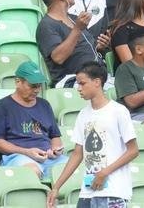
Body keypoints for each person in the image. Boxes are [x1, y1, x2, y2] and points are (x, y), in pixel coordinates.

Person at [45, 60, 139, 208]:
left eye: (82, 83)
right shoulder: (83, 114)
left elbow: (133, 150)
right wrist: (57, 186)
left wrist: (104, 172)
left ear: (97, 82)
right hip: (88, 190)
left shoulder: (118, 111)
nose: (78, 88)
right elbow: (77, 154)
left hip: (113, 190)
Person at [0, 60, 66, 178]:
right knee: (31, 172)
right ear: (18, 82)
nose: (37, 90)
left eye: (39, 86)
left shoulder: (44, 105)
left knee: (75, 169)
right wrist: (26, 152)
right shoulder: (2, 106)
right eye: (32, 86)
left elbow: (55, 136)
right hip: (18, 156)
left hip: (47, 157)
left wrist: (55, 150)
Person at [36, 0, 110, 87]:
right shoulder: (46, 25)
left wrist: (99, 46)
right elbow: (58, 57)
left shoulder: (74, 18)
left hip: (97, 75)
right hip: (73, 81)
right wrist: (77, 29)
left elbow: (84, 48)